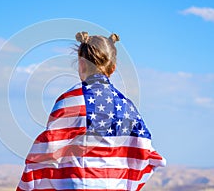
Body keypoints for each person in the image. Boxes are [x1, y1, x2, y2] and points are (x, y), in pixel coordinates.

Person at [16, 32, 166, 191]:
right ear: (113, 68)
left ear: (81, 65)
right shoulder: (127, 108)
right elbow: (145, 153)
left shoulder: (69, 101)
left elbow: (47, 151)